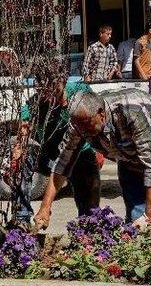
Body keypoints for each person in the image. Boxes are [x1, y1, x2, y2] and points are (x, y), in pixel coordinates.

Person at [34, 89, 151, 231]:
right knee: (136, 220)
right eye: (79, 126)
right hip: (129, 158)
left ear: (101, 114)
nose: (83, 132)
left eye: (87, 125)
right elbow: (62, 163)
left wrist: (149, 217)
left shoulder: (130, 111)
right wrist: (45, 207)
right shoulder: (78, 124)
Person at [11, 68, 102, 227]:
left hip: (82, 154)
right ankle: (22, 218)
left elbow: (97, 116)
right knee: (23, 160)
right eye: (47, 92)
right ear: (39, 88)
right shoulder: (33, 106)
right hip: (51, 155)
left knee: (89, 208)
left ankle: (88, 233)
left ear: (64, 82)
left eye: (57, 90)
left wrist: (98, 148)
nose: (53, 96)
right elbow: (22, 135)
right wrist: (15, 158)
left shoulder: (80, 91)